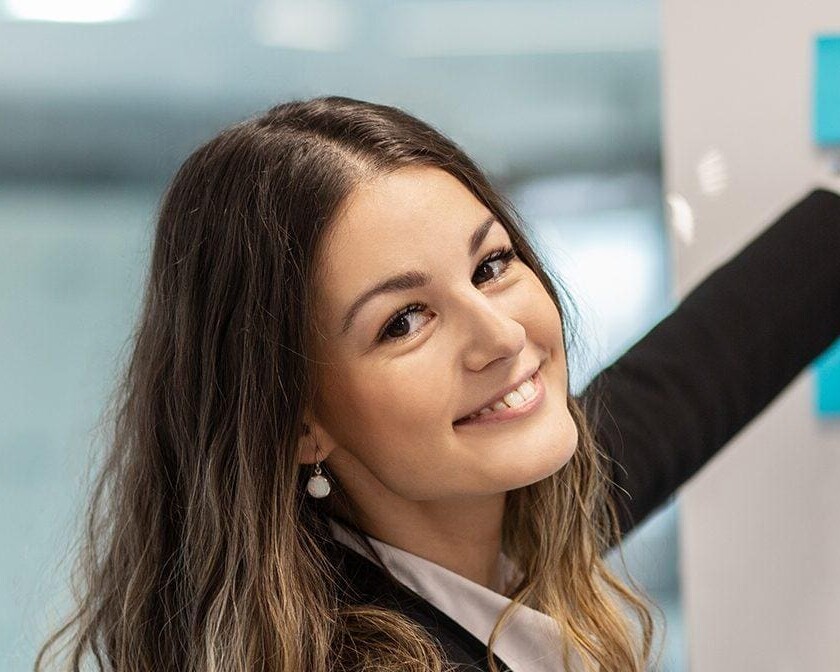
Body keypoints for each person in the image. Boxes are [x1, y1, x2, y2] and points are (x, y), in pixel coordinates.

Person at [34, 95, 840, 672]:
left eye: (492, 265)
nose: (500, 334)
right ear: (299, 423)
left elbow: (694, 378)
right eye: (404, 321)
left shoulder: (474, 537)